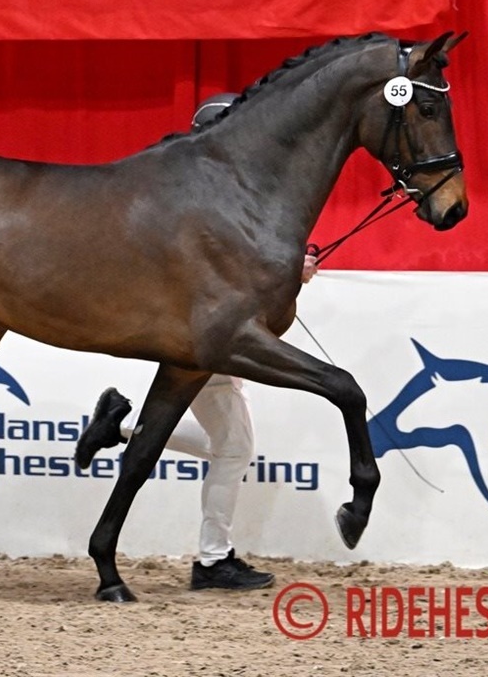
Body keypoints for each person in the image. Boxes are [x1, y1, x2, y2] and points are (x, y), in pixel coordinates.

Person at [75, 94, 318, 591]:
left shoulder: (205, 198)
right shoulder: (207, 202)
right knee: (235, 448)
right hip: (209, 340)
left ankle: (120, 429)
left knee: (230, 447)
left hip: (211, 336)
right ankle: (213, 559)